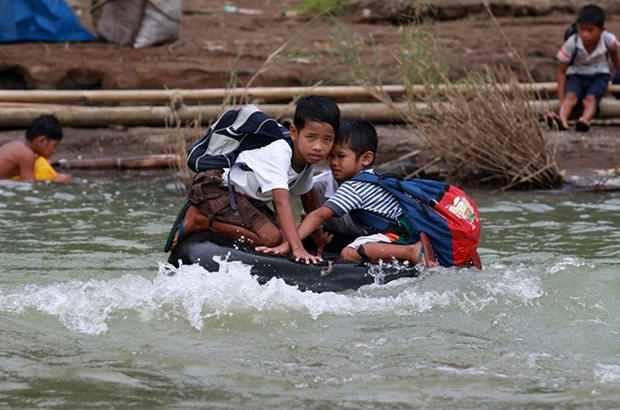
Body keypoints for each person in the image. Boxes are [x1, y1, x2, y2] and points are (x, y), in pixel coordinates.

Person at [169, 96, 340, 264]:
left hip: (242, 198)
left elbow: (308, 194)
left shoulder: (307, 160)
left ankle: (209, 220)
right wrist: (297, 248)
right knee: (271, 238)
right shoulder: (281, 152)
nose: (318, 147)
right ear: (294, 133)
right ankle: (200, 219)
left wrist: (317, 234)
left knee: (283, 235)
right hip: (216, 187)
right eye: (311, 137)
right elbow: (281, 202)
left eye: (327, 140)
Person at [257, 119, 437, 267]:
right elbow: (308, 217)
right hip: (381, 233)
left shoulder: (357, 186)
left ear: (366, 159)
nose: (334, 162)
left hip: (400, 235)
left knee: (348, 253)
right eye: (331, 156)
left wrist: (289, 244)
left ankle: (411, 251)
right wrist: (317, 238)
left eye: (341, 157)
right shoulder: (323, 183)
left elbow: (318, 216)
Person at [548, 4, 620, 132]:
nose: (585, 34)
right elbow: (562, 71)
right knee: (570, 97)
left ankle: (585, 119)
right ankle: (562, 119)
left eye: (590, 30)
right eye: (582, 29)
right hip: (576, 75)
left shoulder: (608, 40)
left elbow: (615, 60)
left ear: (601, 30)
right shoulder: (572, 43)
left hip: (599, 76)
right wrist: (561, 98)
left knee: (591, 99)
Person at [0, 114, 73, 182]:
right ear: (42, 141)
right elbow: (28, 184)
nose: (55, 151)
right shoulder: (27, 154)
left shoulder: (18, 145)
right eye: (54, 146)